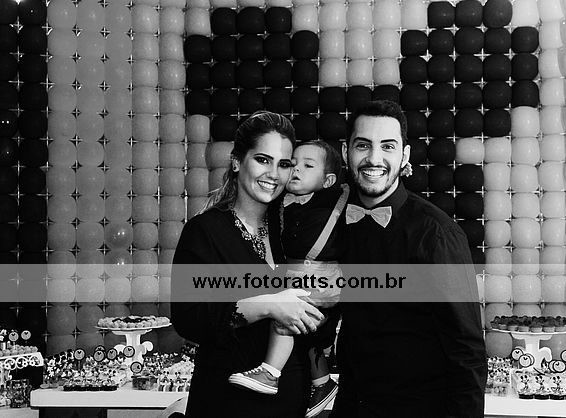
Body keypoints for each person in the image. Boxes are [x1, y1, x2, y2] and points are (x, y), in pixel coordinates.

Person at [331, 100, 487, 417]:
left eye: (387, 146)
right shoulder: (334, 222)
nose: (374, 158)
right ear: (346, 152)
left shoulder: (436, 235)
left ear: (404, 156)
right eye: (363, 145)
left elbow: (467, 351)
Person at [171, 111, 326, 417]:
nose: (273, 174)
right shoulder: (205, 230)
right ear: (237, 161)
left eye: (284, 164)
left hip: (289, 398)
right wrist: (267, 305)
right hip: (227, 399)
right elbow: (188, 318)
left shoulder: (289, 230)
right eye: (263, 160)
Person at [228, 140, 348, 418]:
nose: (296, 170)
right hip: (295, 276)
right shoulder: (282, 203)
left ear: (328, 180)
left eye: (308, 166)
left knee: (285, 317)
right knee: (303, 331)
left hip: (321, 277)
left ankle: (270, 372)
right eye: (292, 164)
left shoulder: (336, 199)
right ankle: (322, 382)